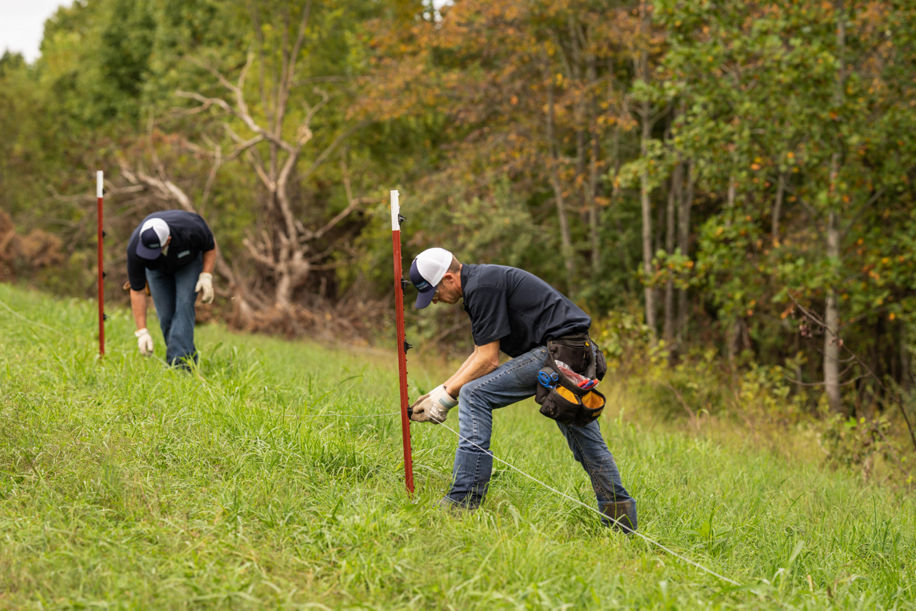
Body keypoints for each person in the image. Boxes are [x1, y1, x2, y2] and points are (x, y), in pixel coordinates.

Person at [408, 247, 637, 532]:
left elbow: (489, 360)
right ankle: (622, 525)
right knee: (586, 443)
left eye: (434, 293)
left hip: (559, 352)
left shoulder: (482, 287)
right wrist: (440, 391)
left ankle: (462, 501)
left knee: (474, 394)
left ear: (449, 278)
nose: (435, 301)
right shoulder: (481, 283)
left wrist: (448, 396)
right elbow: (481, 352)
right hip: (575, 352)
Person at [126, 210, 216, 367]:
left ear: (167, 240)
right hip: (156, 271)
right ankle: (186, 360)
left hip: (188, 263)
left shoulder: (191, 229)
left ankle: (180, 366)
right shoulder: (135, 248)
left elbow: (210, 246)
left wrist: (206, 276)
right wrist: (142, 331)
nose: (150, 254)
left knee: (184, 305)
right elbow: (137, 291)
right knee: (166, 316)